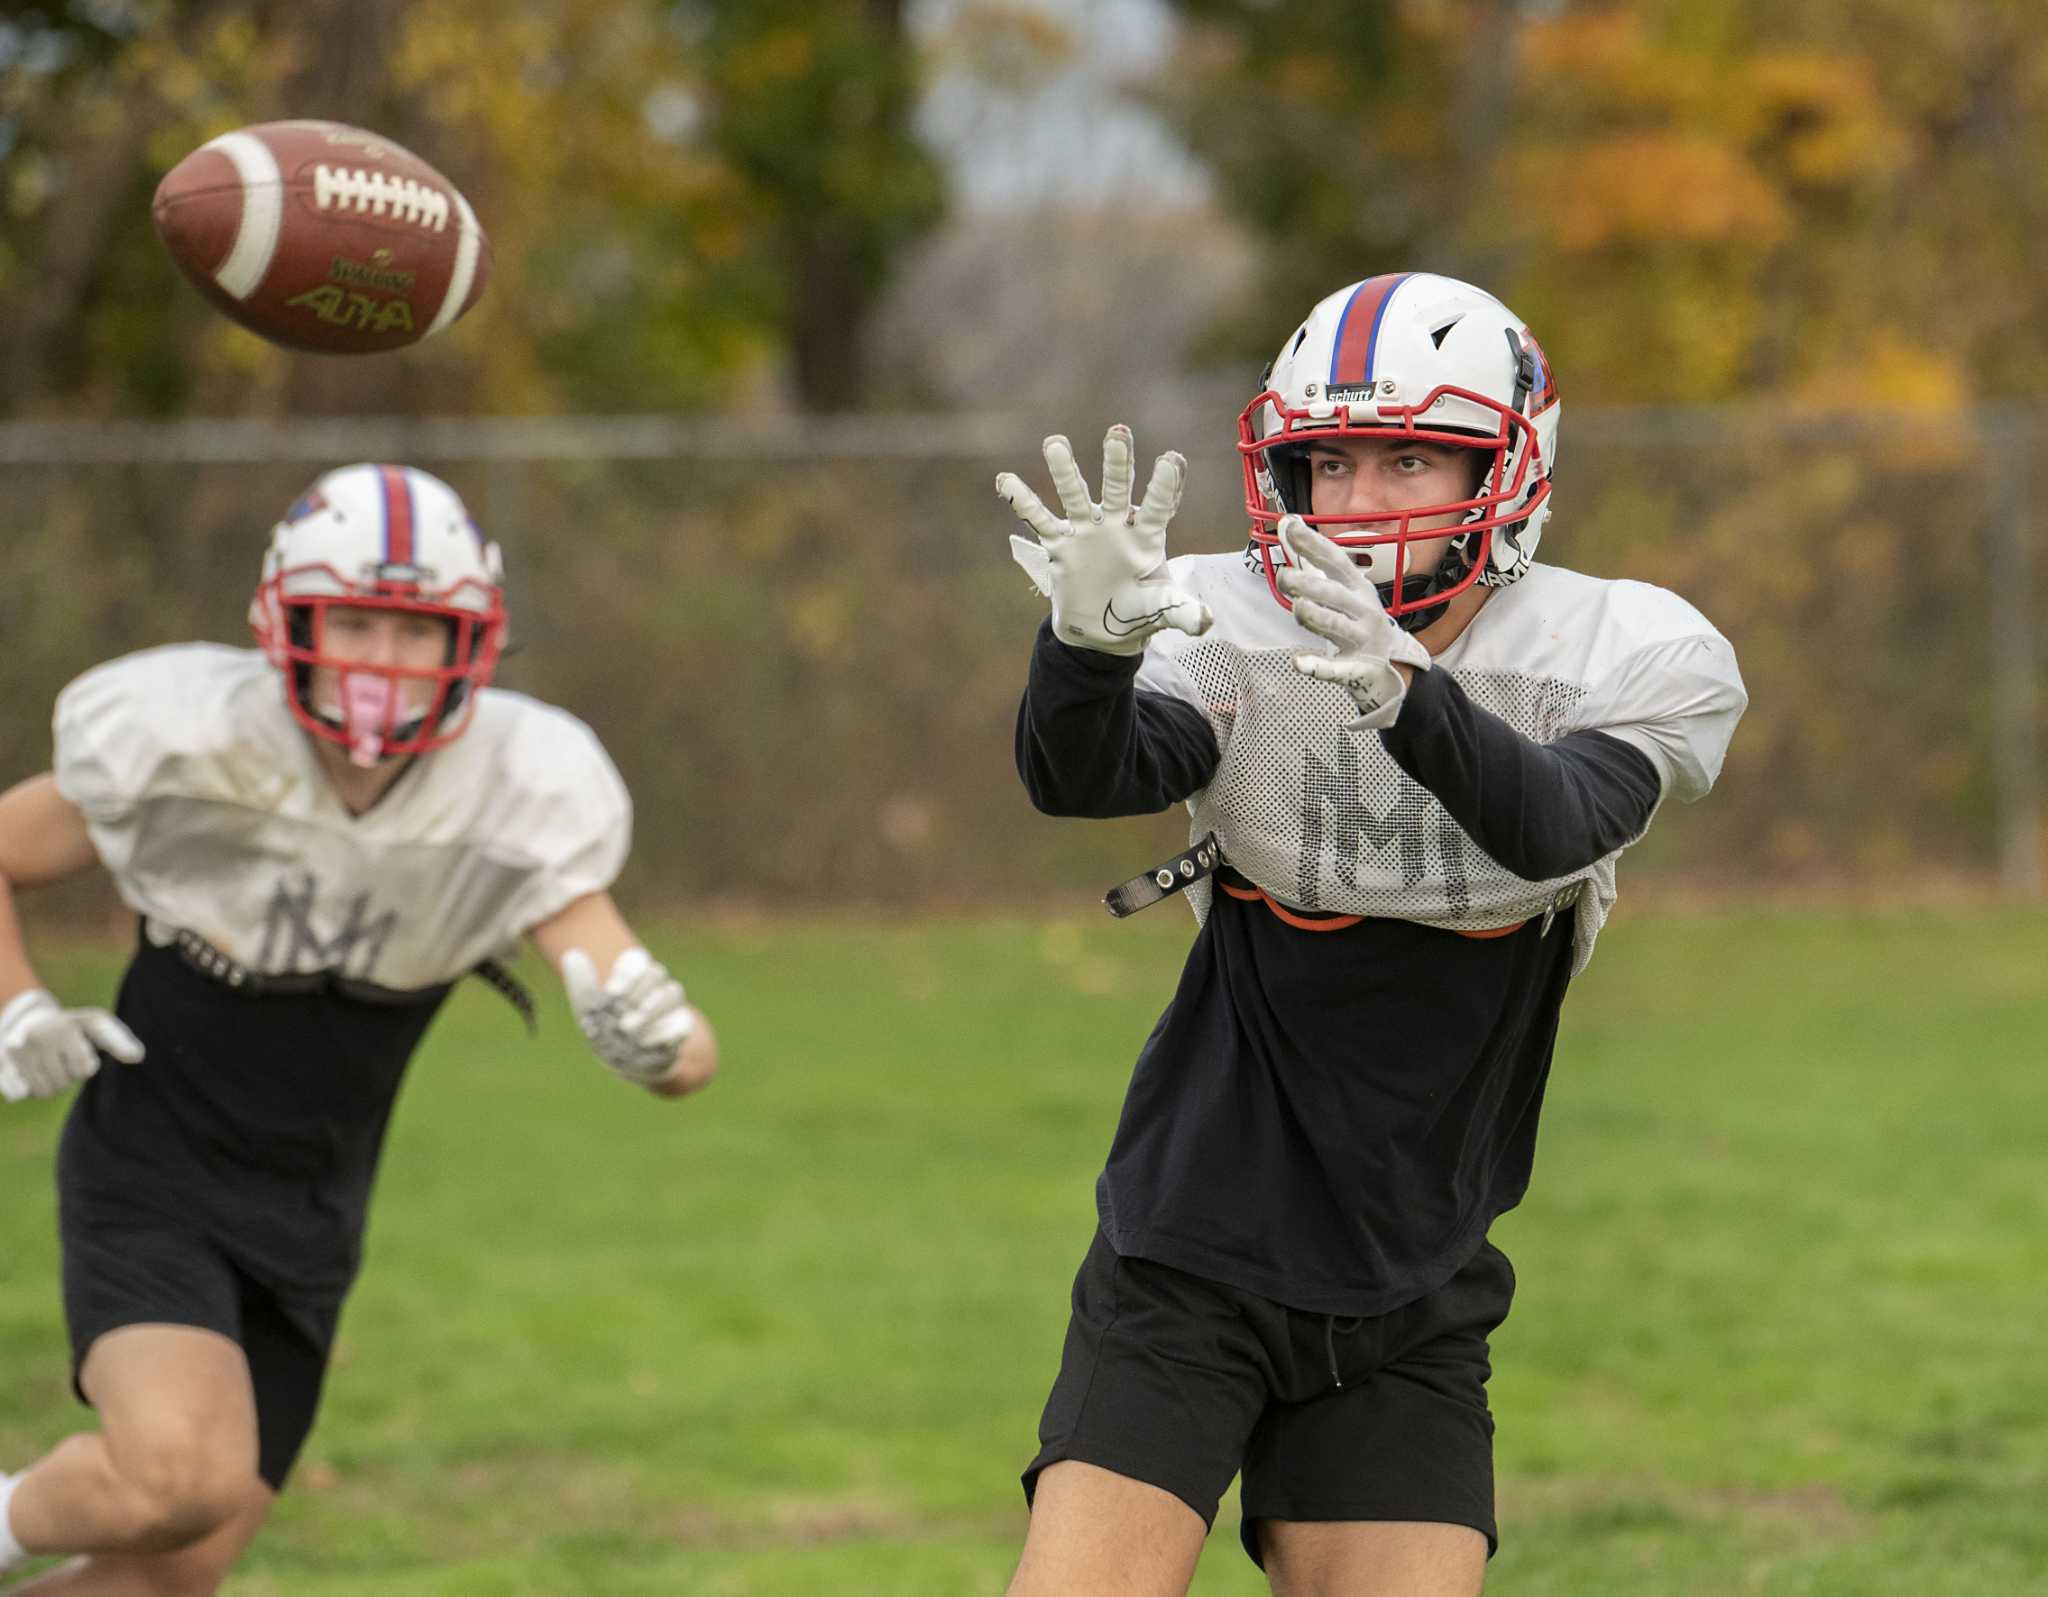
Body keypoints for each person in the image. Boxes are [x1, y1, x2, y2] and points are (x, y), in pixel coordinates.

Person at [994, 271, 1747, 1596]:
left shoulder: (1619, 650)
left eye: (1409, 458)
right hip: (1190, 1254)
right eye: (1326, 463)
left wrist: (1413, 695)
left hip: (1420, 1270)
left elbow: (1556, 821)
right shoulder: (1229, 625)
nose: (1354, 505)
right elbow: (1084, 774)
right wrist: (1083, 652)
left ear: (1515, 465)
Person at [0, 463, 718, 1595]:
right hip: (155, 1170)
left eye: (415, 631)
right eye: (358, 622)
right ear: (284, 619)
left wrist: (658, 1047)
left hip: (314, 1215)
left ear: (468, 645)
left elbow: (671, 1033)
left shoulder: (515, 787)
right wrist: (16, 1003)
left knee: (170, 1575)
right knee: (175, 1476)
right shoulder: (196, 739)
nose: (381, 661)